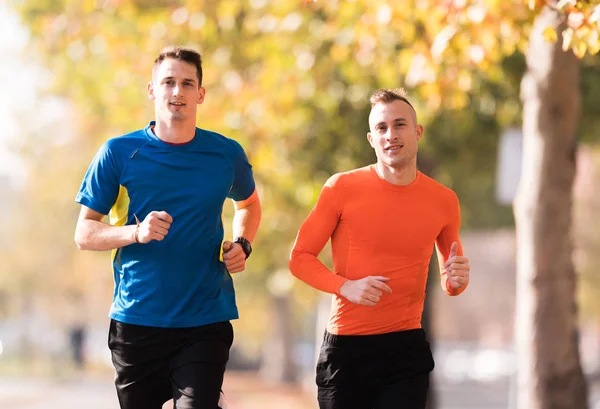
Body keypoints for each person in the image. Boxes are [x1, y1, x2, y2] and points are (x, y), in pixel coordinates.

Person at [74, 46, 261, 409]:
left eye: (187, 84)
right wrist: (135, 232)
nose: (178, 92)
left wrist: (243, 243)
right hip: (137, 320)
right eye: (169, 82)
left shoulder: (225, 154)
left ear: (200, 94)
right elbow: (84, 233)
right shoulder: (118, 152)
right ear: (152, 90)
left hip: (205, 319)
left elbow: (249, 204)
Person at [289, 88, 470, 409]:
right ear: (371, 139)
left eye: (400, 125)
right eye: (381, 128)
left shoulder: (443, 200)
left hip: (405, 350)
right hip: (347, 350)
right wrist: (345, 287)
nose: (391, 135)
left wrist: (457, 280)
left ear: (417, 132)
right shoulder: (341, 188)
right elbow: (299, 258)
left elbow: (450, 279)